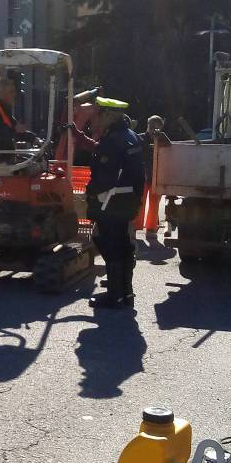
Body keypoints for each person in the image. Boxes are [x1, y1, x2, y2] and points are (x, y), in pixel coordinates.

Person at [65, 98, 145, 309]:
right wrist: (80, 137)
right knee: (122, 246)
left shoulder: (113, 141)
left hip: (111, 201)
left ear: (109, 116)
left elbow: (104, 175)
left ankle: (115, 296)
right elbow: (104, 151)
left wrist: (89, 197)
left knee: (109, 245)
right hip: (127, 200)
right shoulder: (130, 136)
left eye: (98, 115)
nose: (94, 119)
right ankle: (125, 294)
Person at [133, 115, 170, 237]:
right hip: (142, 174)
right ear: (148, 126)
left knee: (154, 202)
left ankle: (151, 227)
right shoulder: (139, 138)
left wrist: (160, 138)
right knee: (139, 202)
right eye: (152, 126)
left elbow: (169, 148)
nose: (154, 130)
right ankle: (136, 226)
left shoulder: (162, 139)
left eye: (156, 128)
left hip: (156, 176)